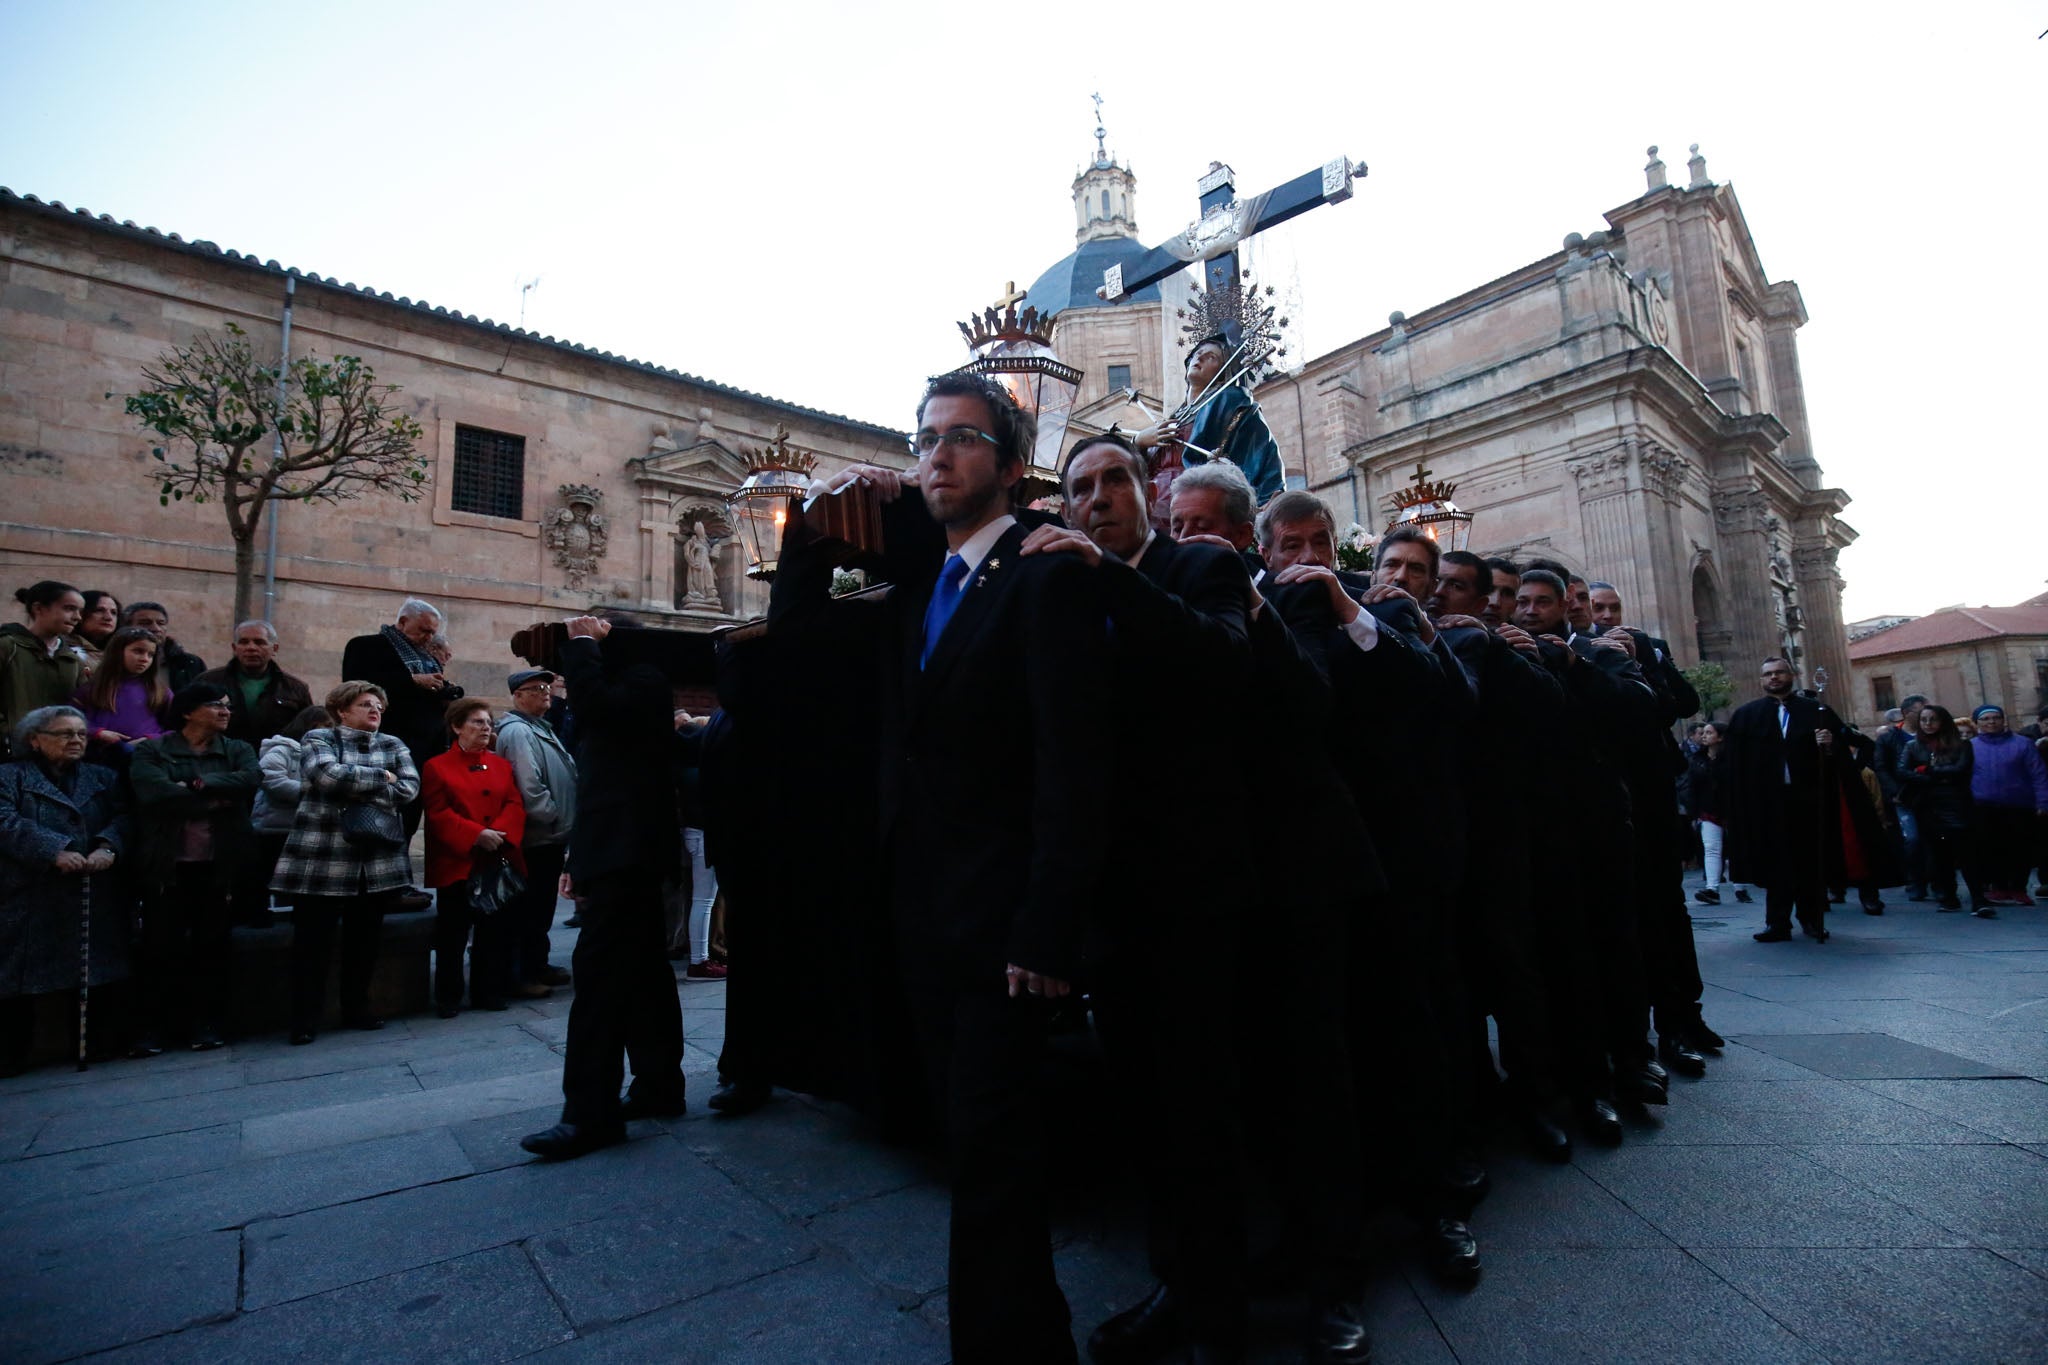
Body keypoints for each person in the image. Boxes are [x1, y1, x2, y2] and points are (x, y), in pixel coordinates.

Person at [768, 372, 1115, 1364]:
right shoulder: (908, 585)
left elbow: (1072, 763)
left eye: (962, 438)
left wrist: (1049, 928)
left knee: (997, 1153)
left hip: (1008, 929)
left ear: (1008, 468)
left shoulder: (1042, 573)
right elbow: (807, 617)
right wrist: (821, 521)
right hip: (924, 915)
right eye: (925, 439)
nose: (936, 454)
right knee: (975, 1148)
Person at [1032, 433, 1283, 1362]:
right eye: (1079, 488)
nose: (1096, 499)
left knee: (1201, 1109)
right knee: (1140, 1102)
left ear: (1150, 490)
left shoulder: (1196, 567)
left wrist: (1112, 578)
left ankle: (1219, 1318)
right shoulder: (1059, 583)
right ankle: (1176, 1280)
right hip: (1106, 895)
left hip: (1195, 889)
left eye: (1113, 482)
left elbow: (1223, 665)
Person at [520, 614, 691, 1161]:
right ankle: (658, 1085)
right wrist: (581, 857)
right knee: (643, 973)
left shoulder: (641, 682)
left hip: (630, 851)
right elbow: (598, 780)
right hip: (613, 849)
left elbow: (599, 711)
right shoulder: (620, 689)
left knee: (597, 982)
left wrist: (584, 650)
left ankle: (591, 1113)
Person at [271, 681, 421, 1043]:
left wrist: (358, 781)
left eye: (379, 707)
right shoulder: (319, 740)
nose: (375, 711)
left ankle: (357, 1007)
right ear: (342, 710)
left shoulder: (393, 744)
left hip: (374, 859)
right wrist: (381, 777)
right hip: (322, 856)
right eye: (366, 704)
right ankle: (304, 1017)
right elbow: (325, 775)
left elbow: (409, 788)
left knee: (365, 940)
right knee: (311, 943)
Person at [128, 682, 261, 1052]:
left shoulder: (237, 749)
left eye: (228, 705)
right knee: (159, 949)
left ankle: (208, 1023)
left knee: (213, 948)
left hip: (219, 865)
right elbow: (153, 793)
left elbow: (249, 780)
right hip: (167, 866)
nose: (225, 711)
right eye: (216, 705)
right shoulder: (154, 750)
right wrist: (212, 798)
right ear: (188, 711)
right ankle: (152, 1027)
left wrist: (196, 785)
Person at [0, 706, 126, 1076]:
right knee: (16, 979)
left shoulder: (102, 777)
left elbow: (124, 817)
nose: (75, 741)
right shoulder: (10, 777)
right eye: (64, 734)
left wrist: (108, 846)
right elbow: (4, 821)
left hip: (91, 888)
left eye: (81, 734)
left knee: (92, 970)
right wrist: (52, 849)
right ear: (35, 740)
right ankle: (11, 1054)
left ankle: (94, 1044)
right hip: (29, 892)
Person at [1724, 657, 1847, 942]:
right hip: (1768, 803)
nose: (1774, 678)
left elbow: (1840, 752)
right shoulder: (1747, 715)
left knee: (1809, 862)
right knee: (1776, 863)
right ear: (1761, 680)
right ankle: (1777, 923)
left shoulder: (1816, 712)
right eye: (1768, 674)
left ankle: (1812, 919)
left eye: (1779, 672)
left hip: (1806, 799)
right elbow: (1736, 764)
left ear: (1791, 675)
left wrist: (1828, 746)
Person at [422, 697, 527, 1016]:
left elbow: (514, 803)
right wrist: (474, 835)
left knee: (493, 929)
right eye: (477, 722)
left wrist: (499, 834)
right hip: (457, 859)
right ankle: (448, 995)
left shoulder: (501, 765)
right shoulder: (436, 766)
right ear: (457, 727)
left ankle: (488, 991)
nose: (486, 728)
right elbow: (438, 813)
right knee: (453, 932)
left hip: (496, 857)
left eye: (488, 723)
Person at [340, 599, 463, 865]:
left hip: (424, 748)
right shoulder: (366, 646)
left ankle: (399, 875)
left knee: (410, 814)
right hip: (386, 746)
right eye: (423, 630)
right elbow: (356, 685)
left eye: (432, 632)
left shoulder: (425, 656)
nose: (428, 637)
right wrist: (412, 681)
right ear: (404, 621)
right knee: (382, 815)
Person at [494, 668, 577, 995]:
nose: (545, 692)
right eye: (535, 688)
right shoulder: (518, 732)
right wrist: (552, 817)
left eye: (547, 686)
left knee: (541, 907)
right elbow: (529, 785)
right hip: (537, 835)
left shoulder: (540, 727)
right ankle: (525, 974)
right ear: (517, 696)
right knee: (530, 907)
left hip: (549, 835)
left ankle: (537, 963)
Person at [1136, 334, 1284, 507]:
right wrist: (1138, 442)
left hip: (1197, 503)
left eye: (1211, 357)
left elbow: (1262, 457)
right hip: (1153, 505)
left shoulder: (1234, 407)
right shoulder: (1176, 417)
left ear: (1223, 372)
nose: (1199, 357)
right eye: (1197, 353)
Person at [1897, 705, 1987, 915]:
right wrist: (1935, 777)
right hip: (1928, 805)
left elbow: (1960, 770)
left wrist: (1928, 770)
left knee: (1967, 854)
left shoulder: (1961, 745)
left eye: (1933, 719)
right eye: (1924, 720)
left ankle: (1978, 898)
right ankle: (1948, 897)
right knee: (1939, 855)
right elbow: (1902, 772)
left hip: (1956, 804)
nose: (1928, 724)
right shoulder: (1913, 746)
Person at [1966, 705, 2048, 906]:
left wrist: (2043, 801)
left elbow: (2038, 774)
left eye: (1996, 718)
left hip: (2019, 805)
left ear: (2004, 721)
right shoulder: (1969, 746)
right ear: (1977, 723)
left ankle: (2019, 888)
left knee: (2021, 848)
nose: (1991, 722)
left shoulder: (2024, 744)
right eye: (1986, 719)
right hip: (1983, 805)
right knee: (1990, 848)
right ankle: (2000, 887)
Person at [252, 705, 330, 908]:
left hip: (304, 826)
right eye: (327, 726)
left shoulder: (326, 752)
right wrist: (310, 792)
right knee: (271, 874)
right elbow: (270, 779)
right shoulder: (283, 749)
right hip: (275, 826)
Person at [1, 582, 87, 759]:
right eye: (69, 608)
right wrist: (5, 732)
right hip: (10, 749)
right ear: (39, 608)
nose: (77, 617)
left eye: (80, 611)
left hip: (57, 752)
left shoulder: (72, 659)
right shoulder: (8, 647)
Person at [196, 620, 315, 748]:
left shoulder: (295, 688)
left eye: (259, 642)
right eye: (244, 642)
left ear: (274, 648)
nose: (251, 648)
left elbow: (309, 731)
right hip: (219, 760)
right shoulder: (208, 682)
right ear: (234, 648)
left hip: (274, 762)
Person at [72, 625, 171, 762]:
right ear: (117, 652)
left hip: (146, 758)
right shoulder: (93, 689)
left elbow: (176, 728)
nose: (145, 659)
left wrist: (149, 739)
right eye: (138, 651)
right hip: (101, 757)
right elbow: (73, 721)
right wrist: (98, 733)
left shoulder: (160, 691)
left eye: (150, 655)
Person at [1689, 723, 1751, 907]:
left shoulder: (1731, 759)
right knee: (1711, 848)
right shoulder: (1698, 759)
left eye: (1709, 733)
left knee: (1735, 848)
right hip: (1708, 809)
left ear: (1721, 737)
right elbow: (1693, 786)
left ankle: (1740, 886)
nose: (1704, 736)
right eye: (1704, 733)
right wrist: (1695, 811)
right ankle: (1712, 888)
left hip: (1732, 808)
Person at [119, 603, 207, 690]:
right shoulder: (115, 662)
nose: (156, 628)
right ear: (127, 627)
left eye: (161, 623)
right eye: (145, 623)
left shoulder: (190, 664)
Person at [65, 591, 122, 671]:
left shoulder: (120, 653)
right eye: (99, 610)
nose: (108, 617)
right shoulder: (63, 649)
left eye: (113, 612)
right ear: (81, 613)